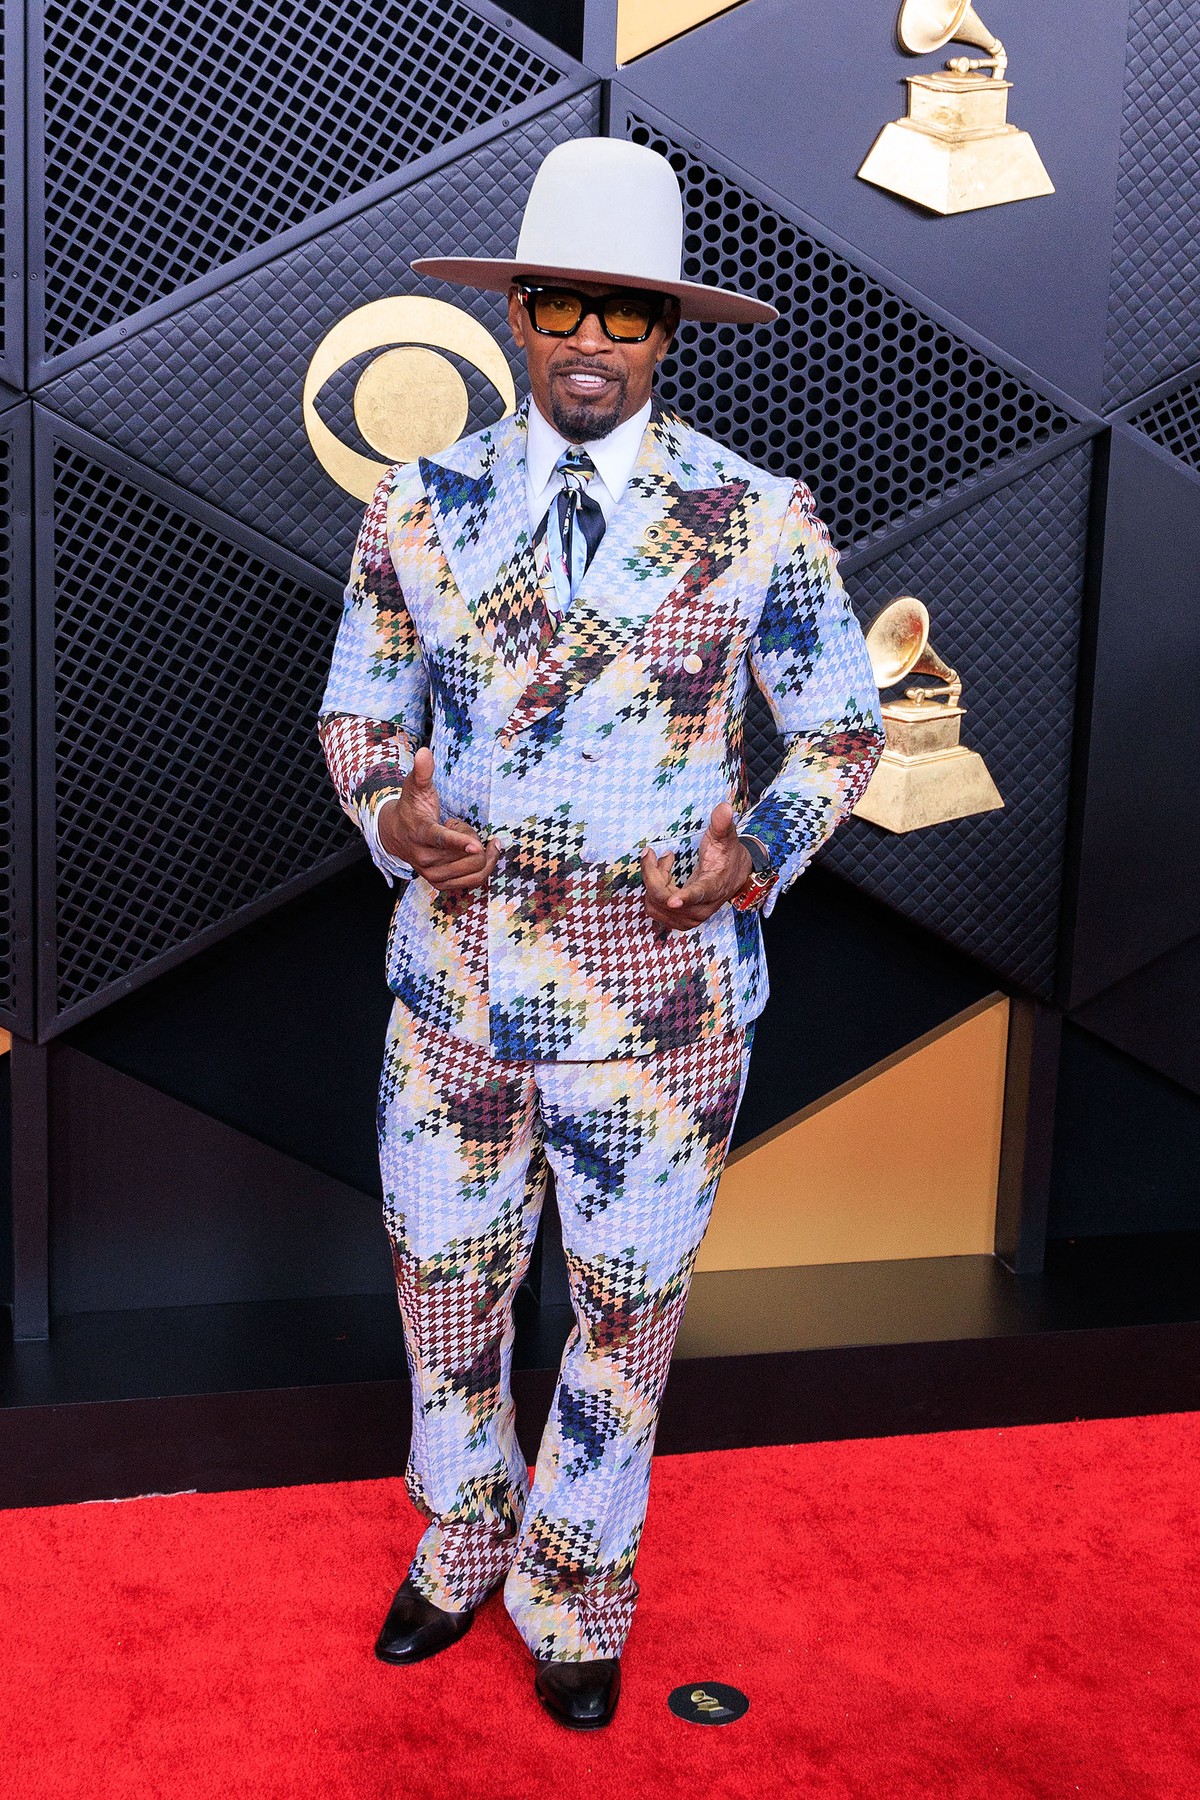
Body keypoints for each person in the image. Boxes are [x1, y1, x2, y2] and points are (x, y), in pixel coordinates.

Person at [318, 136, 884, 1731]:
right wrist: (389, 816)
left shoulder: (756, 515)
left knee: (625, 1320)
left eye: (623, 312)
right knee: (445, 1292)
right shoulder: (418, 502)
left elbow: (842, 732)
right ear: (516, 314)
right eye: (559, 303)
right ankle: (462, 1539)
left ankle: (578, 1586)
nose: (587, 338)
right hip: (454, 993)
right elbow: (360, 711)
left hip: (661, 1013)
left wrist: (755, 855)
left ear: (665, 332)